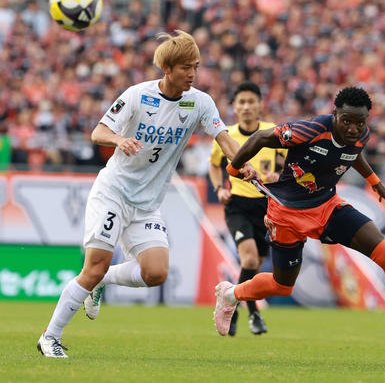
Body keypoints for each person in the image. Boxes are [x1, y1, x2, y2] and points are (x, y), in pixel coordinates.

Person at [37, 30, 256, 358]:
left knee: (155, 273)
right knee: (93, 266)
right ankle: (50, 338)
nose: (193, 74)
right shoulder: (138, 95)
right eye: (185, 67)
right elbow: (98, 131)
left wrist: (242, 162)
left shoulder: (199, 102)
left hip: (147, 204)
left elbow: (224, 138)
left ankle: (101, 281)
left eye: (196, 66)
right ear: (167, 69)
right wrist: (119, 140)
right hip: (113, 193)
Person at [213, 86, 385, 344]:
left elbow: (352, 153)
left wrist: (374, 181)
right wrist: (234, 168)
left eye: (360, 123)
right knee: (282, 285)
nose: (353, 129)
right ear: (335, 114)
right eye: (347, 121)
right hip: (286, 212)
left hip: (327, 207)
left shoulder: (361, 135)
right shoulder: (309, 130)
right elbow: (260, 137)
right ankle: (231, 295)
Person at [208, 80, 286, 336]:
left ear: (260, 104)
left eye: (251, 101)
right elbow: (214, 165)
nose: (246, 106)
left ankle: (239, 307)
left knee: (255, 266)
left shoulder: (272, 133)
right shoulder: (226, 136)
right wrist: (219, 188)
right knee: (250, 259)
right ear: (235, 106)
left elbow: (292, 164)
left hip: (266, 206)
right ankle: (250, 312)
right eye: (241, 102)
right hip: (238, 205)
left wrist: (279, 177)